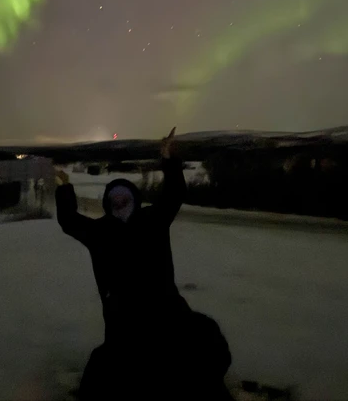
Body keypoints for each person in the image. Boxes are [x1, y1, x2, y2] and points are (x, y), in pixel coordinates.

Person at [55, 128, 232, 400]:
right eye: (114, 201)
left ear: (134, 200)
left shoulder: (153, 221)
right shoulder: (100, 232)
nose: (120, 204)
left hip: (167, 314)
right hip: (124, 325)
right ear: (107, 204)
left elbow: (174, 194)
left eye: (125, 199)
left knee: (197, 354)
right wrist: (65, 186)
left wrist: (168, 158)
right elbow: (69, 221)